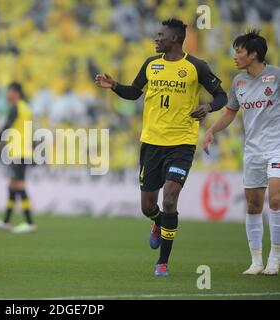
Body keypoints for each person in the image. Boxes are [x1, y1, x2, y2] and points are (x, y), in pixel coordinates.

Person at [95, 18, 228, 276]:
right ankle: (157, 223)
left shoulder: (196, 66)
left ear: (175, 39)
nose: (156, 39)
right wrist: (113, 86)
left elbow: (222, 95)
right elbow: (134, 92)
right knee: (148, 207)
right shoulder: (150, 64)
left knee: (169, 199)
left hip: (181, 143)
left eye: (160, 35)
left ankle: (162, 262)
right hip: (151, 143)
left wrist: (208, 107)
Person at [203, 30, 279, 275]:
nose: (234, 56)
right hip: (253, 151)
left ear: (253, 54)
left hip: (277, 147)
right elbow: (229, 112)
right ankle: (256, 261)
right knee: (253, 205)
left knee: (276, 200)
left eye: (239, 51)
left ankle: (275, 258)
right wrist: (212, 130)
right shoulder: (239, 82)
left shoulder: (276, 76)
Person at [0, 82, 37, 234]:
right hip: (23, 150)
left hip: (18, 151)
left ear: (16, 93)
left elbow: (6, 126)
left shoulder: (16, 108)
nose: (7, 95)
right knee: (12, 186)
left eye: (9, 92)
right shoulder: (26, 108)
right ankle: (6, 221)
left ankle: (29, 223)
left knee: (19, 186)